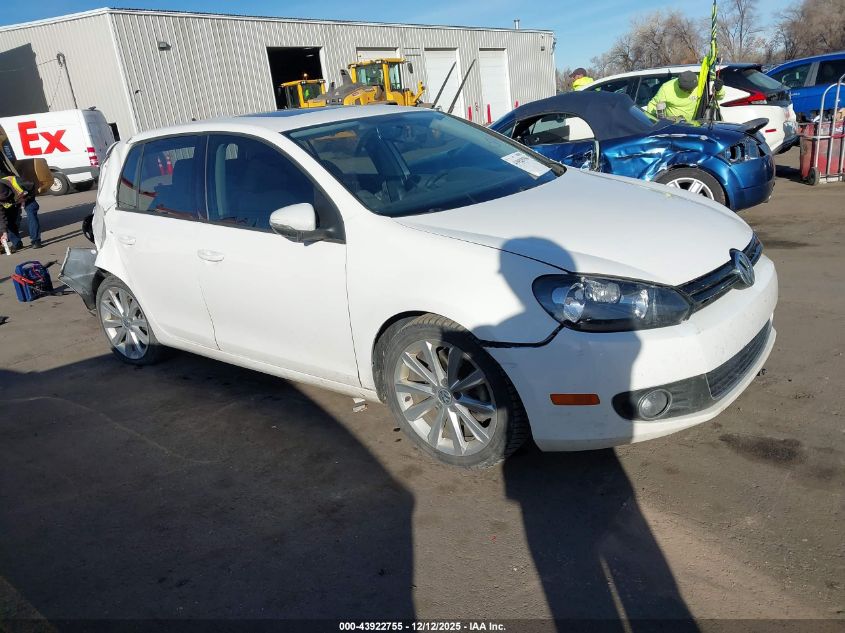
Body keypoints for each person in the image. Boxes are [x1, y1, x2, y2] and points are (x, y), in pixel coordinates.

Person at [646, 70, 724, 122]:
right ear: (679, 86)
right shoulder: (666, 88)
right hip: (676, 128)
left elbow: (718, 97)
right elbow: (652, 105)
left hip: (697, 125)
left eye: (691, 90)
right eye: (686, 90)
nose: (689, 92)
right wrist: (653, 122)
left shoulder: (701, 84)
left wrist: (718, 89)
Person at [0, 174, 41, 251]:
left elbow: (32, 187)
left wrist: (25, 199)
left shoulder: (19, 182)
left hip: (26, 196)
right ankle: (17, 243)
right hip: (14, 201)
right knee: (9, 220)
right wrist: (4, 232)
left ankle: (36, 241)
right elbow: (1, 217)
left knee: (31, 213)